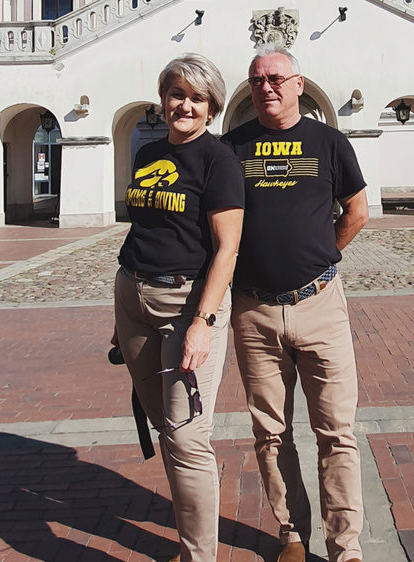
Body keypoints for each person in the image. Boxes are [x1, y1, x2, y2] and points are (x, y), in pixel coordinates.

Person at [220, 43, 369, 562]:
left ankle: (345, 546)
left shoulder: (329, 142)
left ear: (298, 84)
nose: (267, 87)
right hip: (254, 311)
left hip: (320, 304)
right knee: (271, 432)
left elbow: (356, 210)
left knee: (336, 433)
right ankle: (291, 533)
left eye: (277, 78)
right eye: (258, 80)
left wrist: (321, 255)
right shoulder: (231, 146)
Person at [113, 53, 244, 562]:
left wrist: (203, 322)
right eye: (176, 94)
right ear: (163, 97)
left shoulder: (219, 161)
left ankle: (199, 555)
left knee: (188, 438)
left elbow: (227, 248)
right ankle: (195, 512)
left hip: (185, 302)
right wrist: (121, 313)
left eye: (196, 98)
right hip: (133, 297)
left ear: (211, 108)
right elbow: (142, 229)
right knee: (168, 429)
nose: (184, 105)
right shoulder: (147, 153)